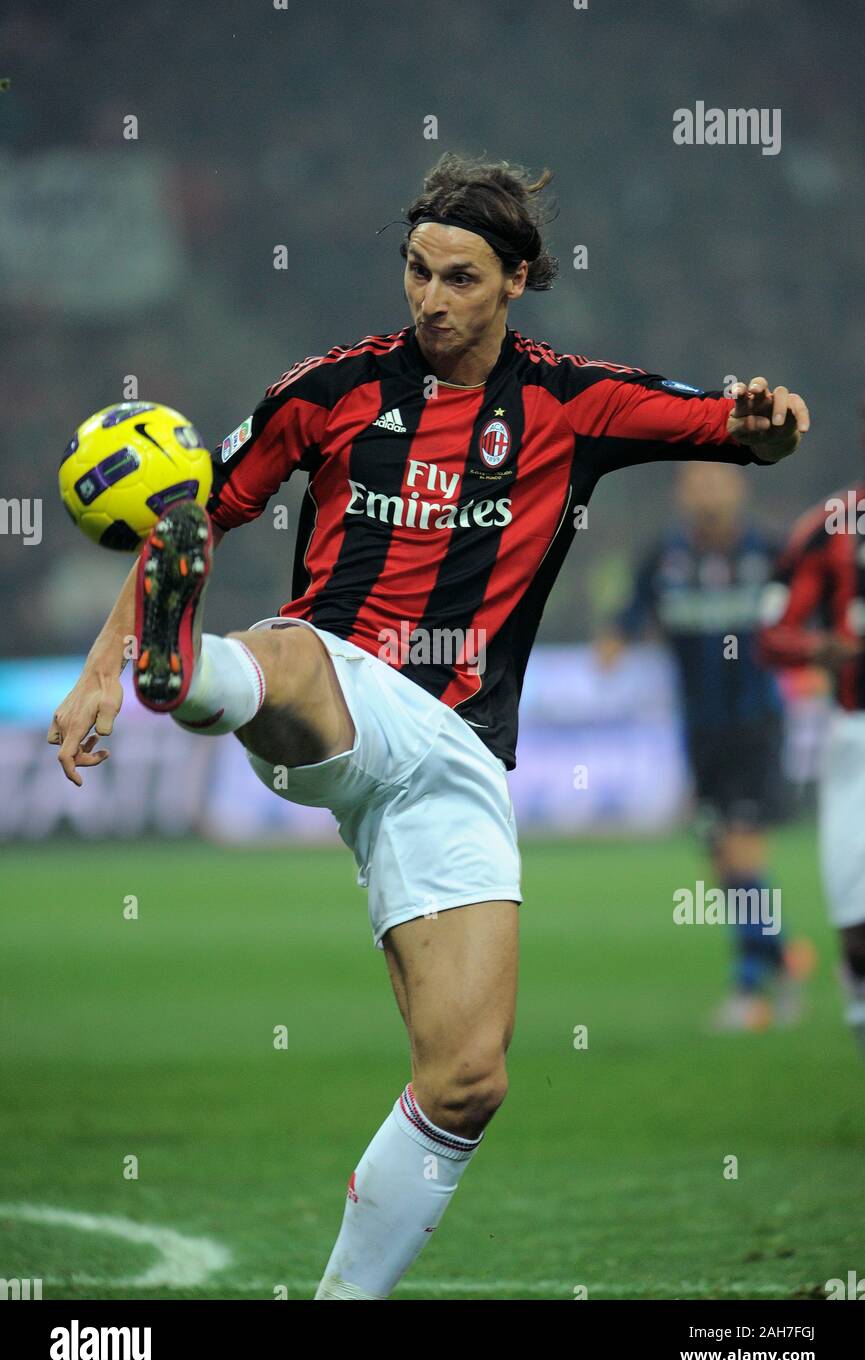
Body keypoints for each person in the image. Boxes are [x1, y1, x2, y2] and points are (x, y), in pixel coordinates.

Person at [47, 152, 809, 1300]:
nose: (429, 299)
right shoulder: (331, 390)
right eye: (415, 271)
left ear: (514, 282)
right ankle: (178, 673)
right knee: (296, 649)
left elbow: (736, 433)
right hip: (336, 684)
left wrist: (775, 420)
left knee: (464, 1080)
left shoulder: (571, 400)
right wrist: (101, 674)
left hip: (452, 758)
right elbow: (191, 515)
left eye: (458, 277)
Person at [598, 460, 815, 1032]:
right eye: (697, 480)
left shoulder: (769, 551)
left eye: (717, 479)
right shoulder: (663, 558)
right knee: (722, 858)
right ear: (682, 492)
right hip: (698, 731)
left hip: (756, 724)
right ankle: (785, 960)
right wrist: (614, 642)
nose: (707, 490)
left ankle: (750, 992)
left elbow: (806, 613)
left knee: (742, 850)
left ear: (738, 486)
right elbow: (626, 617)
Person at [758, 468, 865, 1061]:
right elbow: (771, 633)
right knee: (856, 924)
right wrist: (824, 647)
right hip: (856, 736)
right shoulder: (832, 526)